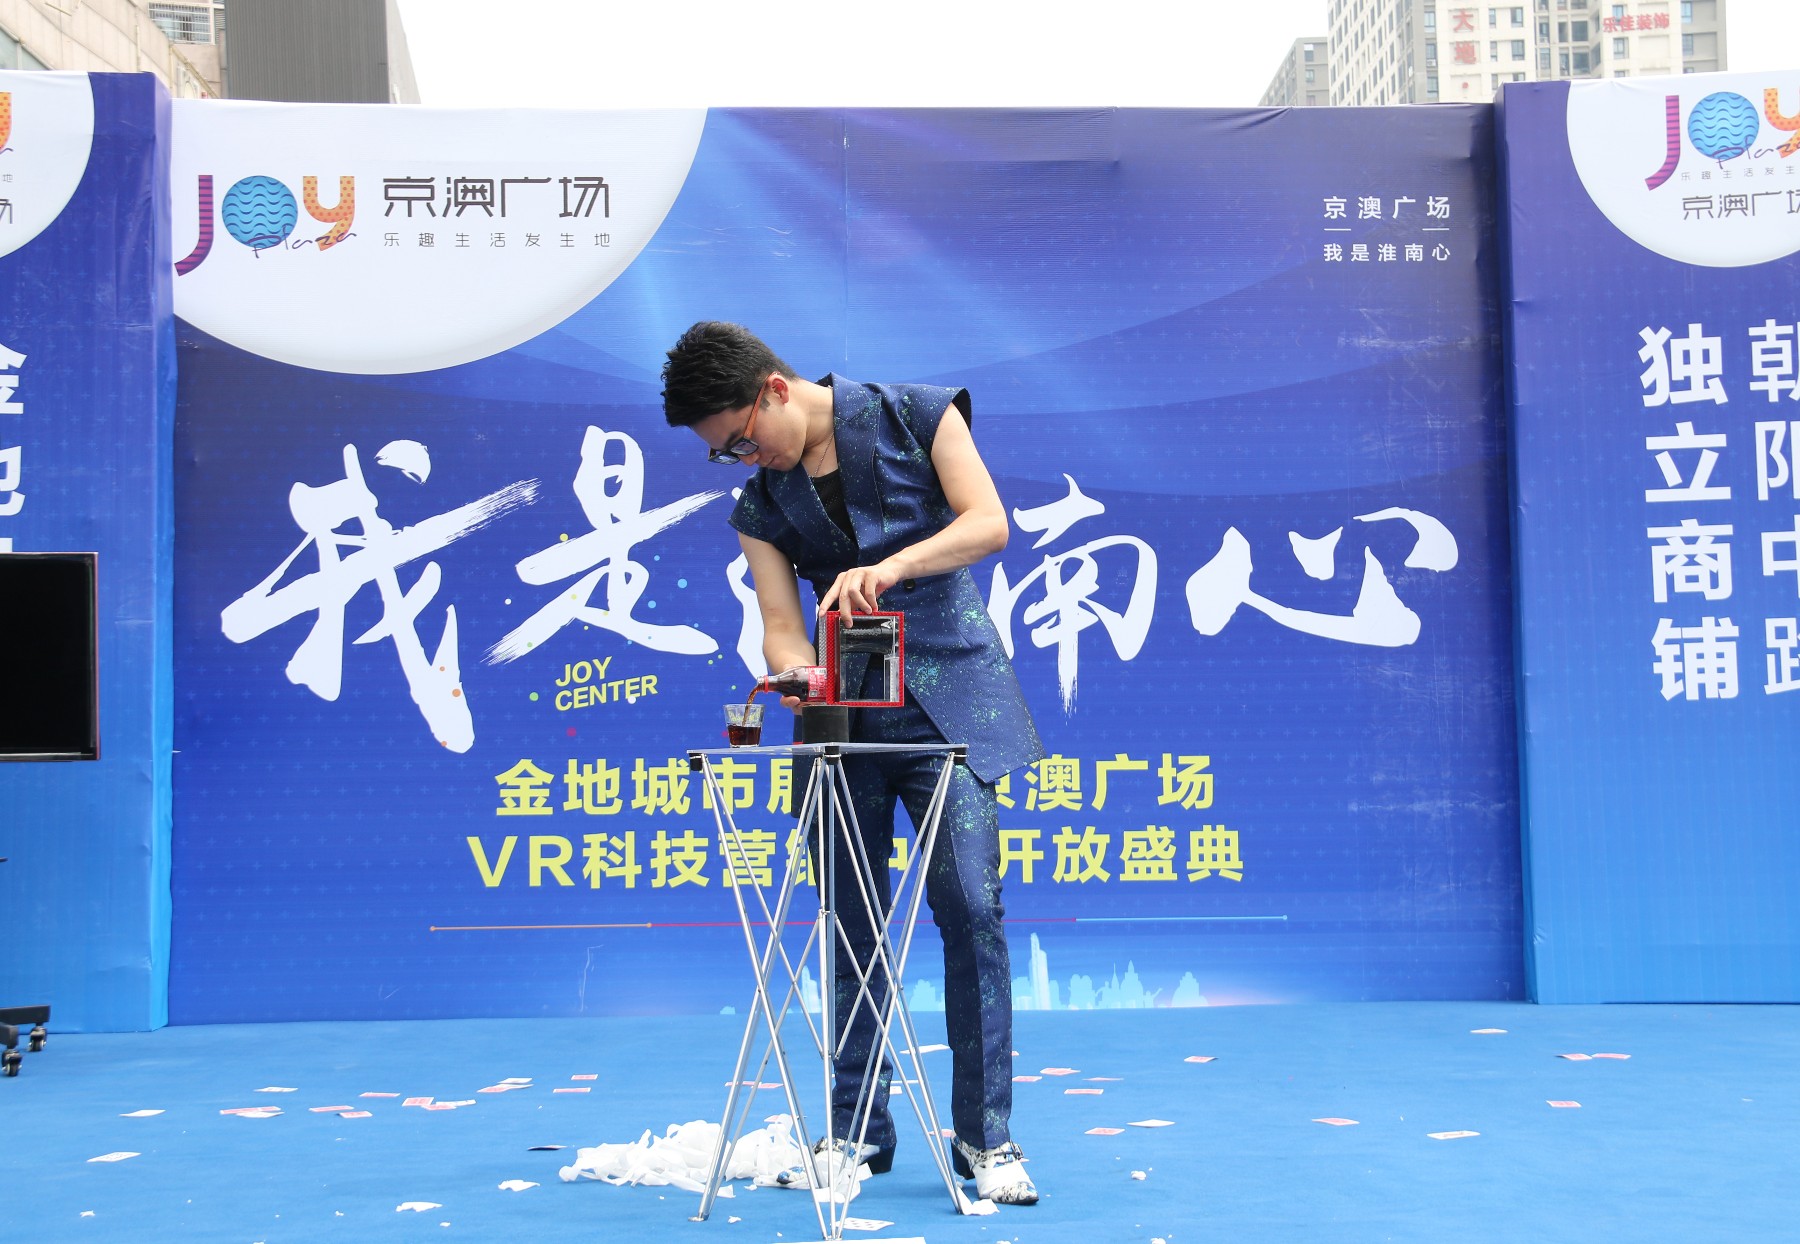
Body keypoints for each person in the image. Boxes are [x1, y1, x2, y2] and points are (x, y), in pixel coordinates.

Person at [661, 321, 1044, 1206]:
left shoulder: (920, 415)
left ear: (773, 390)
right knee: (849, 923)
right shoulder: (762, 504)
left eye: (741, 440)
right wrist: (796, 672)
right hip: (841, 721)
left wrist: (892, 566)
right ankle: (857, 1132)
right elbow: (781, 624)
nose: (743, 459)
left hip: (951, 705)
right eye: (726, 454)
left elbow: (988, 524)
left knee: (972, 910)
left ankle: (987, 1139)